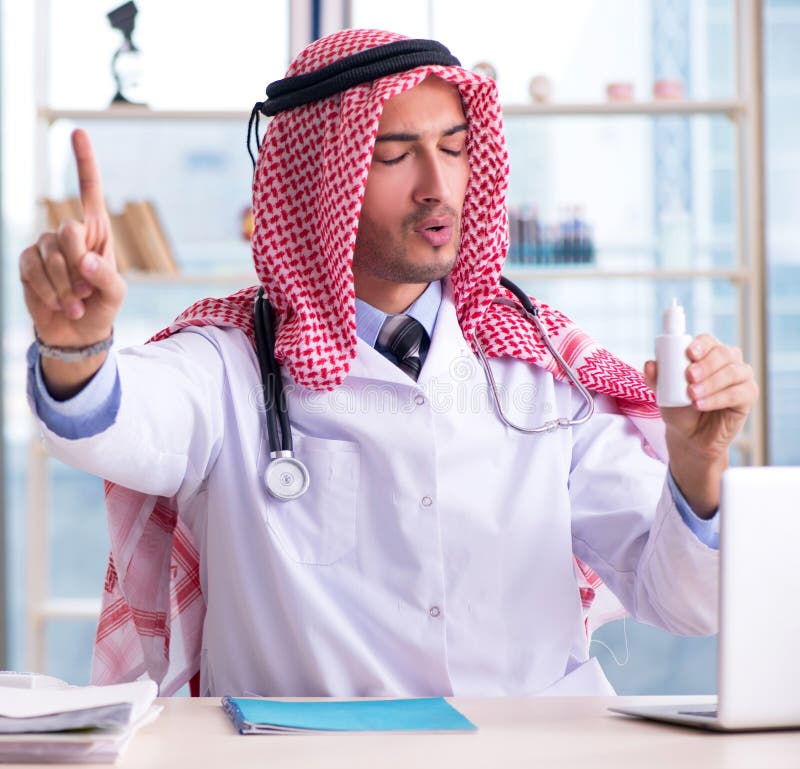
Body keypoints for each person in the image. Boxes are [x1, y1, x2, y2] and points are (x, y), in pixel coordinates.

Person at [20, 29, 757, 697]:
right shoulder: (231, 361)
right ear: (317, 186)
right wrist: (76, 347)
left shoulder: (539, 366)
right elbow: (119, 419)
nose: (437, 183)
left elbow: (686, 602)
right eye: (395, 155)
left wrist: (696, 470)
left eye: (455, 147)